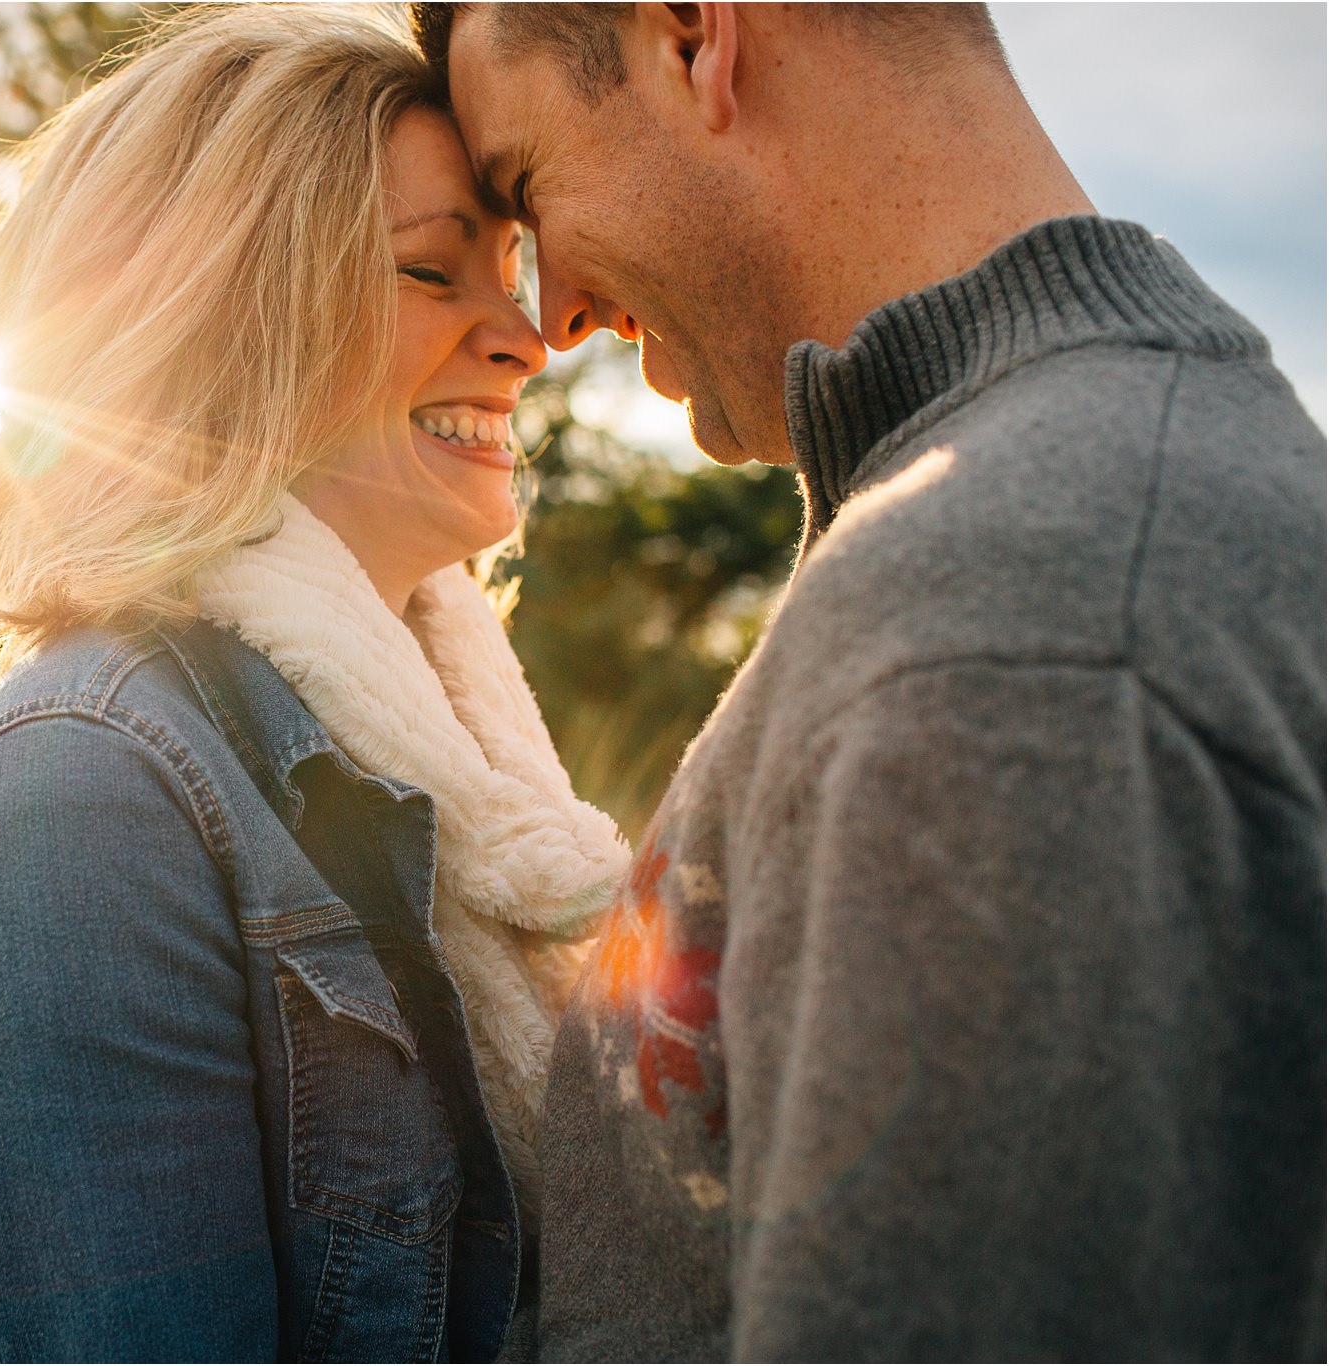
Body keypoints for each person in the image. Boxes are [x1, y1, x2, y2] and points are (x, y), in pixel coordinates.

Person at [417, 2, 1325, 1359]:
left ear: (693, 38)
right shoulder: (1049, 521)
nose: (554, 314)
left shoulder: (1013, 632)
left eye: (529, 185)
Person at [0, 7, 631, 1360]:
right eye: (433, 274)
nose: (525, 336)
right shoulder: (71, 806)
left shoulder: (452, 742)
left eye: (507, 267)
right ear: (223, 321)